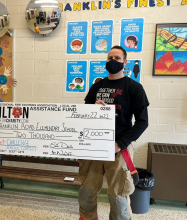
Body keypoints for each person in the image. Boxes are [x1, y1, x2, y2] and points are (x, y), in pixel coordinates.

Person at [79, 45, 149, 220]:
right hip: (94, 148)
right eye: (110, 58)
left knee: (118, 195)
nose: (113, 61)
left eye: (117, 58)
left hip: (119, 149)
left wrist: (119, 144)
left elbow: (142, 122)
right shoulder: (97, 86)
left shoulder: (134, 87)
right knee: (86, 192)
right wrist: (91, 109)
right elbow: (82, 115)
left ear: (125, 62)